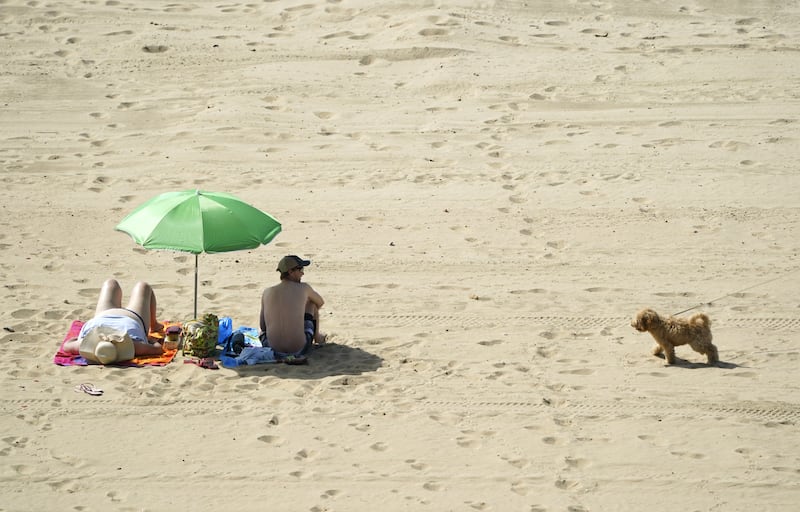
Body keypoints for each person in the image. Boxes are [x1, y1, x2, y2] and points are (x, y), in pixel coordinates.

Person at [64, 279, 165, 361]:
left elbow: (157, 348)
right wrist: (84, 339)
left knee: (143, 287)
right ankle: (154, 324)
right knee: (110, 283)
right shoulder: (83, 345)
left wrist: (149, 340)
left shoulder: (134, 347)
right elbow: (67, 344)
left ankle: (154, 325)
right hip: (102, 318)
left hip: (130, 320)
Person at [259, 255, 326, 357]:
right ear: (290, 272)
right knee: (312, 304)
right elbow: (320, 302)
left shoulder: (267, 292)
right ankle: (317, 337)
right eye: (300, 269)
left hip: (272, 349)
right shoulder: (304, 288)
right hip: (299, 349)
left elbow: (263, 326)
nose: (303, 273)